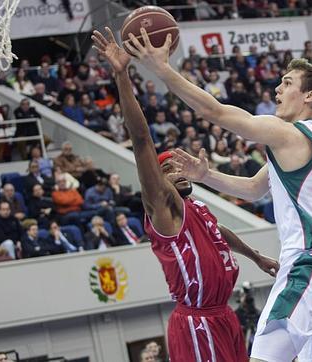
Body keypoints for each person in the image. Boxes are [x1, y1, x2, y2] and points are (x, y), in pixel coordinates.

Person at [128, 28, 312, 361]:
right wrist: (205, 175)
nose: (278, 87)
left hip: (308, 264)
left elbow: (216, 113)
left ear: (310, 96)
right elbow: (253, 188)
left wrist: (161, 69)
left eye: (288, 82)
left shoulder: (290, 134)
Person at [92, 28, 279, 362]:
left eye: (181, 164)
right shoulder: (163, 207)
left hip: (223, 314)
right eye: (170, 168)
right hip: (197, 321)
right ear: (159, 180)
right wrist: (122, 75)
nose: (179, 170)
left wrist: (255, 256)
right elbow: (141, 140)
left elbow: (218, 233)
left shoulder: (196, 208)